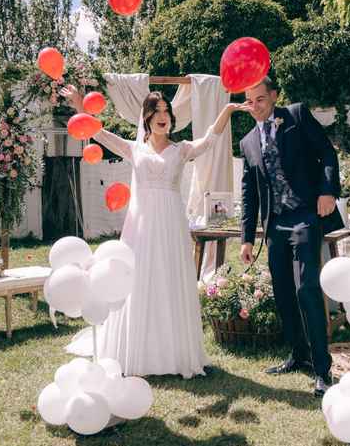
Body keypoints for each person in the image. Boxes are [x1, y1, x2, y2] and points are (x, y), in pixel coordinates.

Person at [60, 85, 249, 378]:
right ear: (146, 117)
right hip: (142, 226)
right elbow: (97, 132)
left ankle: (173, 352)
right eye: (156, 111)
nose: (163, 116)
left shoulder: (181, 149)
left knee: (168, 279)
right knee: (139, 280)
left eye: (166, 112)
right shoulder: (134, 148)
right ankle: (136, 348)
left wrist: (227, 111)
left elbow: (210, 140)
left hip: (172, 224)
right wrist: (78, 105)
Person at [238, 77, 344, 397]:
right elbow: (249, 194)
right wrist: (247, 237)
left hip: (305, 216)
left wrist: (328, 191)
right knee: (284, 293)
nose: (255, 107)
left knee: (307, 289)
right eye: (250, 101)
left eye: (261, 99)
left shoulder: (296, 116)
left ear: (274, 96)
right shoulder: (246, 142)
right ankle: (298, 355)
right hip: (275, 226)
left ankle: (323, 369)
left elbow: (326, 152)